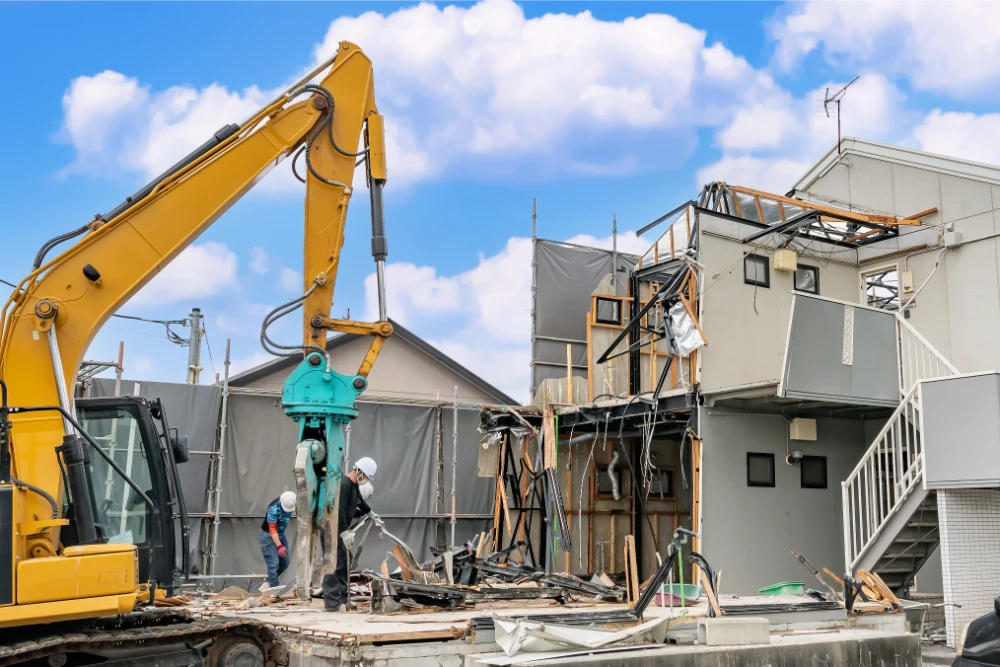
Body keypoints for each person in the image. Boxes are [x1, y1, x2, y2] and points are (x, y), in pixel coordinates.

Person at [323, 457, 379, 611]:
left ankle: (341, 598)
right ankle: (332, 603)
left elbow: (360, 502)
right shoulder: (344, 484)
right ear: (360, 472)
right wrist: (343, 532)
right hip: (332, 531)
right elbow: (338, 510)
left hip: (339, 531)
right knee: (334, 565)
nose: (367, 480)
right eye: (367, 476)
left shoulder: (353, 486)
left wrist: (371, 513)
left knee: (344, 564)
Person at [259, 490, 296, 592]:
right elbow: (272, 529)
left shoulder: (291, 501)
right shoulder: (273, 508)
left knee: (285, 562)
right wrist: (279, 546)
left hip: (280, 534)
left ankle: (268, 581)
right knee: (273, 564)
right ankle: (274, 590)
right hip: (268, 535)